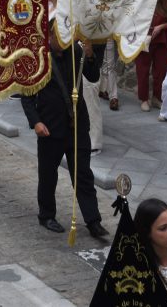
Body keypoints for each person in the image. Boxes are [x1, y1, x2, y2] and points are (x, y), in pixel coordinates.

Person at [21, 26, 109, 238]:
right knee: (48, 175)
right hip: (50, 128)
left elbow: (93, 74)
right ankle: (47, 215)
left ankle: (93, 220)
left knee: (83, 176)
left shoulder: (76, 52)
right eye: (58, 37)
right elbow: (27, 96)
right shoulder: (38, 58)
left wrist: (89, 56)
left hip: (77, 126)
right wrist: (36, 122)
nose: (63, 41)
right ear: (49, 36)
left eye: (65, 37)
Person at [135, 0, 167, 112]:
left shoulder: (165, 1)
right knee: (142, 70)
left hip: (161, 40)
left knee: (161, 70)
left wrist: (161, 26)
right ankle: (144, 99)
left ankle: (157, 97)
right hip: (144, 40)